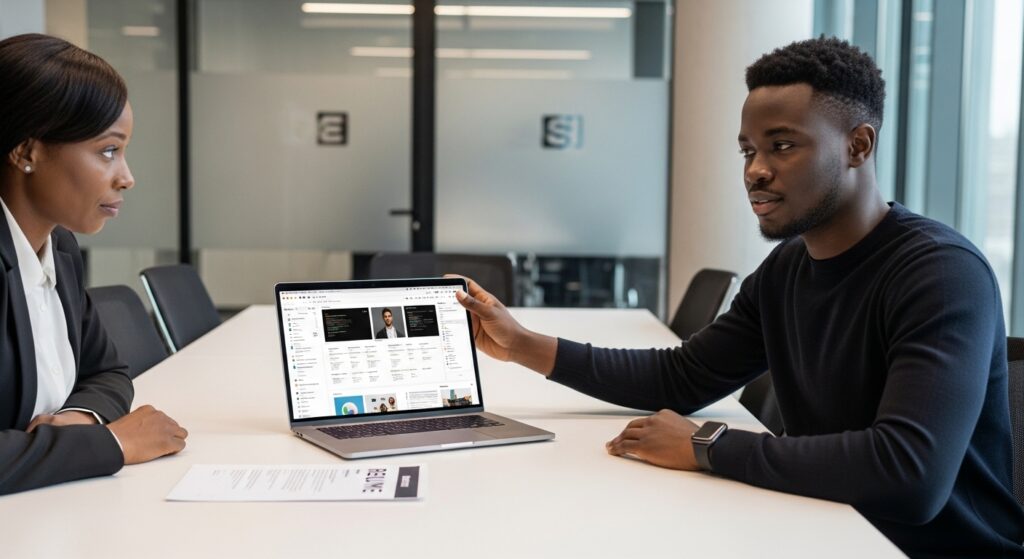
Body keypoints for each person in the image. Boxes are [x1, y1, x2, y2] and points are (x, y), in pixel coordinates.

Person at [454, 37, 1024, 558]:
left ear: (858, 145)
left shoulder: (941, 274)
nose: (756, 171)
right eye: (748, 151)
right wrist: (521, 344)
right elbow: (682, 379)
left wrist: (709, 445)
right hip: (822, 527)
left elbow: (910, 474)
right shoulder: (788, 267)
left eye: (783, 146)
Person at [0, 33, 188, 496]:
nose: (127, 177)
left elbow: (107, 371)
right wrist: (111, 443)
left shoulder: (59, 249)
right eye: (108, 151)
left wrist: (78, 418)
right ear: (26, 152)